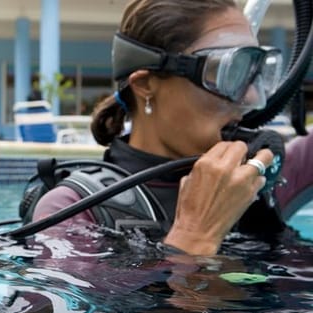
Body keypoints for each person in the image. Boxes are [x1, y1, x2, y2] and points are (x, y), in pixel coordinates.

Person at [31, 0, 302, 256]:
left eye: (253, 74)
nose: (253, 99)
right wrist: (195, 236)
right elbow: (67, 306)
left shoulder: (256, 180)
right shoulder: (73, 209)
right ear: (145, 85)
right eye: (227, 73)